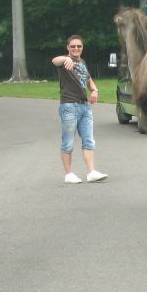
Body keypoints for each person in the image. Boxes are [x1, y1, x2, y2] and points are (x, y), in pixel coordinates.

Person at [51, 35, 107, 184]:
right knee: (68, 142)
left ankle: (91, 172)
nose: (76, 48)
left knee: (89, 140)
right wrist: (65, 59)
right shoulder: (64, 61)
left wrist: (94, 90)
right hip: (69, 106)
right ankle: (68, 174)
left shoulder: (82, 62)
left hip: (84, 107)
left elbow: (88, 79)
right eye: (73, 46)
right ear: (68, 47)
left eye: (79, 46)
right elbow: (54, 60)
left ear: (82, 48)